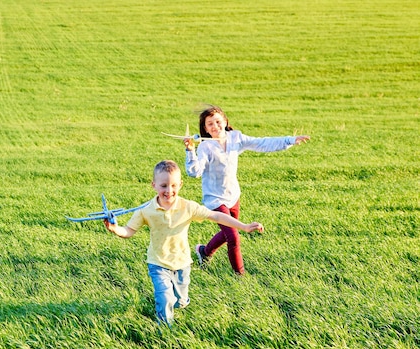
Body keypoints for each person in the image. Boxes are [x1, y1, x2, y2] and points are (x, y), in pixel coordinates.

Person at [104, 160, 263, 325]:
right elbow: (129, 231)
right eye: (164, 185)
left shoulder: (187, 206)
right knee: (165, 298)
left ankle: (180, 301)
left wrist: (243, 226)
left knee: (179, 300)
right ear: (154, 185)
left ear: (180, 184)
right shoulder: (146, 210)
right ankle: (165, 329)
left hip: (182, 263)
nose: (169, 190)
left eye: (173, 185)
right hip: (158, 263)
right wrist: (115, 229)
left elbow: (215, 216)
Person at [184, 105, 309, 275]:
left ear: (225, 121)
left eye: (218, 121)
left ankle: (204, 252)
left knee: (229, 231)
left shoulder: (235, 138)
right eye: (210, 124)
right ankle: (240, 276)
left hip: (233, 195)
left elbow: (261, 143)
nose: (215, 126)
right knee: (233, 237)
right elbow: (194, 172)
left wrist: (289, 140)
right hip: (215, 199)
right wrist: (190, 151)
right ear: (205, 128)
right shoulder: (205, 147)